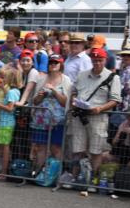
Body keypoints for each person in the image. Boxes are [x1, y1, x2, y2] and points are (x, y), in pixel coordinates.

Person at [69, 47, 122, 183]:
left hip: (98, 117)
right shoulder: (82, 75)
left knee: (96, 150)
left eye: (100, 60)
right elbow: (74, 90)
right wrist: (74, 100)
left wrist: (100, 108)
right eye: (95, 60)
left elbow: (115, 100)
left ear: (105, 60)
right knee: (77, 149)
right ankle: (74, 177)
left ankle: (94, 179)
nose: (97, 63)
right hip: (80, 115)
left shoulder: (113, 77)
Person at [31, 54, 70, 169]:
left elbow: (65, 102)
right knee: (40, 147)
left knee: (56, 147)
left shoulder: (66, 80)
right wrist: (40, 96)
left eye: (55, 63)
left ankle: (56, 175)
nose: (53, 65)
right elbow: (35, 101)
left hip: (58, 121)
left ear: (61, 64)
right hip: (40, 120)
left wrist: (54, 91)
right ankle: (39, 172)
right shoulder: (41, 78)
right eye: (51, 62)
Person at [0, 67, 22, 179]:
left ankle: (3, 173)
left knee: (5, 147)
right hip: (5, 122)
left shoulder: (12, 91)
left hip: (7, 123)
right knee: (3, 146)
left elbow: (10, 108)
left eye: (5, 77)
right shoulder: (14, 91)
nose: (3, 79)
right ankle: (1, 171)